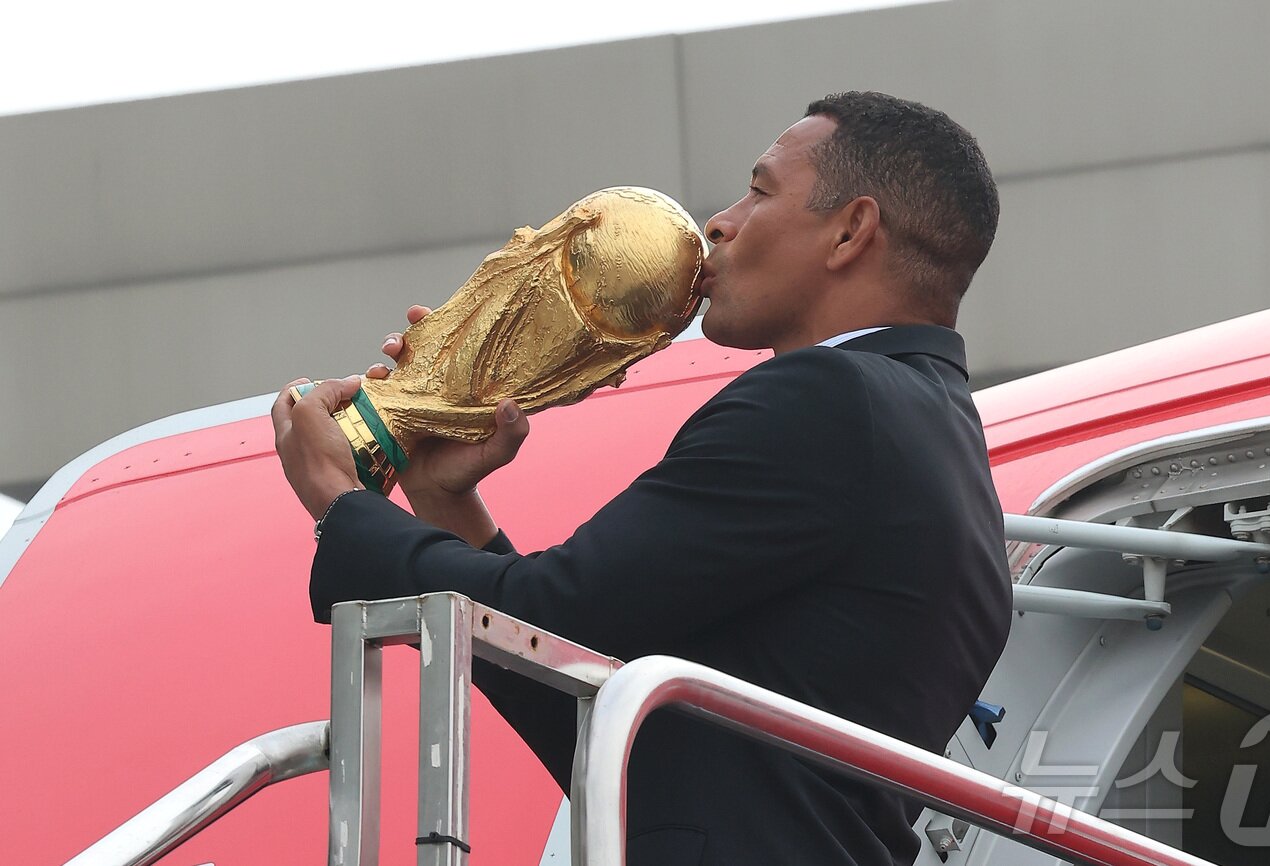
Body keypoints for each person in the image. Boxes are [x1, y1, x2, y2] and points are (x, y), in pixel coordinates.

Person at [274, 91, 1011, 866]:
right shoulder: (943, 452)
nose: (720, 223)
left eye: (758, 191)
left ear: (851, 231)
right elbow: (621, 733)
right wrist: (443, 498)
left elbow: (558, 611)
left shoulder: (829, 398)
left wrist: (340, 500)